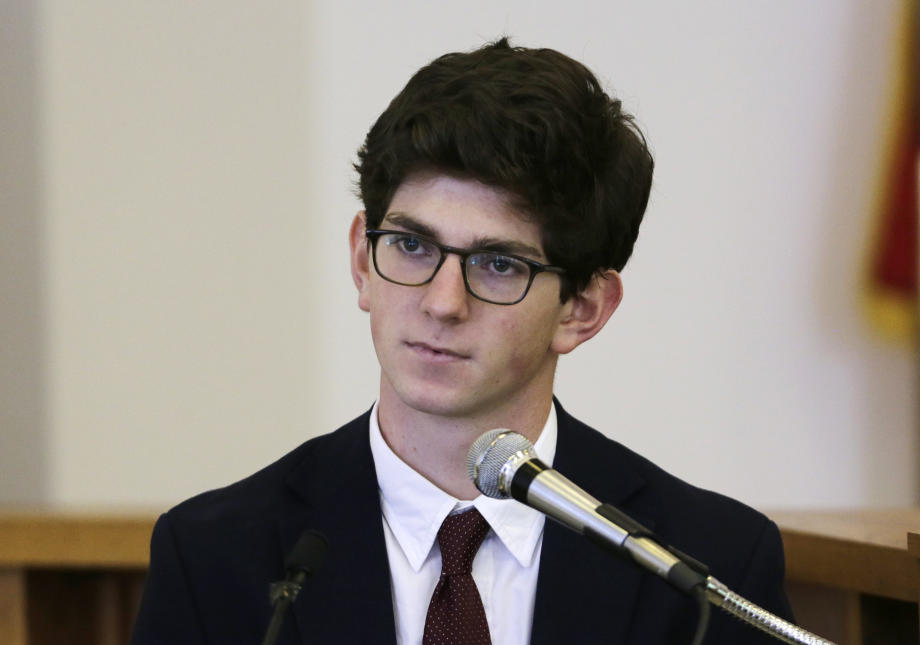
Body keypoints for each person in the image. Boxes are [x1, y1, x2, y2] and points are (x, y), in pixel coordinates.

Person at [132, 38, 792, 644]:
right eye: (412, 246)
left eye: (498, 263)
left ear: (583, 309)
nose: (442, 302)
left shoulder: (706, 570)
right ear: (362, 260)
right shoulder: (215, 557)